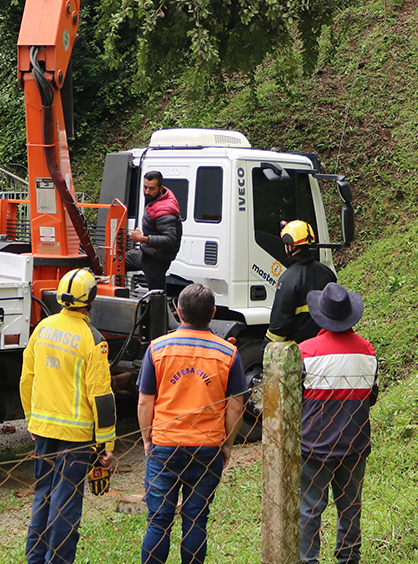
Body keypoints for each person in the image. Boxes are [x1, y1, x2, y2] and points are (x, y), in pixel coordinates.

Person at [137, 283, 247, 564]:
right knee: (196, 518)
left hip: (165, 445)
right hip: (207, 446)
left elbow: (144, 402)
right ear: (212, 313)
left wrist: (148, 440)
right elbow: (236, 404)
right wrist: (227, 445)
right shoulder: (228, 354)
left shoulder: (157, 349)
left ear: (178, 311)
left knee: (159, 520)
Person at [20, 268, 117, 564]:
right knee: (65, 505)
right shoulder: (93, 339)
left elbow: (27, 378)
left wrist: (31, 420)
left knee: (43, 497)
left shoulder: (43, 328)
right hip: (75, 439)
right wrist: (107, 444)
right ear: (91, 299)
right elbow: (101, 396)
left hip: (43, 429)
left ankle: (35, 559)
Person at [298, 283, 378, 564]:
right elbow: (371, 396)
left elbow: (294, 400)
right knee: (350, 508)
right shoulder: (367, 352)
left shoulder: (305, 353)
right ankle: (348, 557)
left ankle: (308, 560)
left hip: (314, 446)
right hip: (354, 445)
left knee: (309, 509)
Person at [266, 219, 336, 344]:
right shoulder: (327, 273)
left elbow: (279, 327)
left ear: (290, 246)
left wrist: (266, 347)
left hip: (301, 352)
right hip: (325, 349)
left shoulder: (288, 280)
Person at [128, 170, 182, 293]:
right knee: (116, 262)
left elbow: (170, 239)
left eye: (151, 188)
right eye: (145, 187)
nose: (147, 192)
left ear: (160, 188)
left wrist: (141, 239)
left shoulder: (165, 210)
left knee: (157, 299)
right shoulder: (156, 199)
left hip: (157, 261)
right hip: (146, 253)